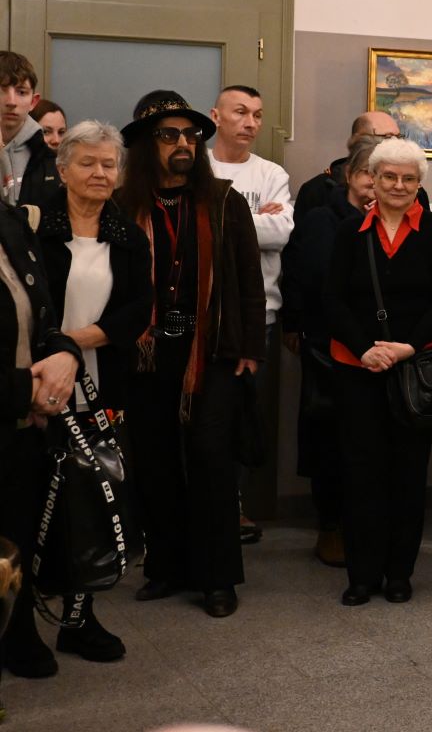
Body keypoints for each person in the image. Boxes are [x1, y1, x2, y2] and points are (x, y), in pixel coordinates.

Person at [117, 90, 265, 619]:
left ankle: (217, 578)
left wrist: (250, 347)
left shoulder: (223, 201)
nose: (183, 143)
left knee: (210, 459)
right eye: (169, 135)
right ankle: (166, 567)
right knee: (154, 460)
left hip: (213, 350)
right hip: (146, 353)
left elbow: (248, 278)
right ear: (146, 144)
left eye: (190, 134)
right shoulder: (124, 206)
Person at [29, 121, 152, 663]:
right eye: (87, 163)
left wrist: (71, 344)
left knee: (89, 505)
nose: (100, 172)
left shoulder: (127, 235)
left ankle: (79, 619)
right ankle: (19, 624)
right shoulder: (33, 227)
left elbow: (137, 310)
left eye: (109, 164)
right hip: (36, 384)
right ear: (63, 169)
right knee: (32, 503)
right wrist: (50, 354)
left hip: (101, 387)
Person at [322, 137, 432, 606]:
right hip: (357, 367)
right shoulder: (349, 231)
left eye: (409, 178)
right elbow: (332, 299)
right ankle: (362, 575)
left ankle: (399, 573)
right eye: (389, 176)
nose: (399, 185)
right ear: (372, 180)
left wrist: (407, 347)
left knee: (407, 473)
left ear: (419, 183)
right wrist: (366, 349)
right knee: (361, 473)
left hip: (415, 368)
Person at [281, 135, 383, 568]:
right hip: (330, 348)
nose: (375, 183)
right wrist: (293, 324)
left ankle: (371, 526)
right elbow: (304, 276)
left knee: (374, 444)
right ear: (350, 176)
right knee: (329, 441)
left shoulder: (400, 219)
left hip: (384, 351)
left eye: (384, 175)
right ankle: (331, 526)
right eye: (368, 174)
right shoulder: (323, 219)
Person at [0, 184, 83, 685]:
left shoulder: (12, 223)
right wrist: (23, 389)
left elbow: (43, 315)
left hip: (21, 426)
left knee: (17, 535)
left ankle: (17, 630)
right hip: (15, 401)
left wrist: (65, 355)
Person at [208, 84, 294, 544]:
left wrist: (223, 220)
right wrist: (252, 220)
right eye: (240, 112)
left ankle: (235, 506)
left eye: (258, 115)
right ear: (216, 116)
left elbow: (280, 233)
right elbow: (191, 230)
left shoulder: (271, 173)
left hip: (258, 316)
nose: (251, 122)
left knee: (244, 414)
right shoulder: (198, 166)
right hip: (202, 314)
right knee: (203, 417)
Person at [293, 111, 417, 217]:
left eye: (399, 137)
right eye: (387, 138)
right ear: (359, 141)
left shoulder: (409, 189)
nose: (396, 144)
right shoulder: (317, 190)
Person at [0, 52, 59, 207]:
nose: (11, 102)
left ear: (33, 101)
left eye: (21, 92)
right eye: (2, 90)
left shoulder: (49, 160)